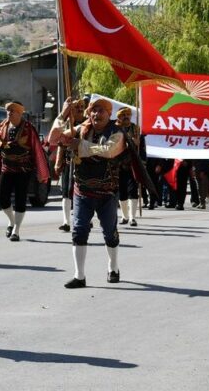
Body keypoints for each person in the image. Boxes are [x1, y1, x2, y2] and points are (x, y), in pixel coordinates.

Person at [50, 97, 126, 288]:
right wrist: (63, 114)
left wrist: (80, 145)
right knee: (79, 230)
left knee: (110, 232)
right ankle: (79, 276)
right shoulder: (81, 129)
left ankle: (113, 267)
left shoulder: (117, 133)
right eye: (93, 110)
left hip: (107, 191)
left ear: (109, 114)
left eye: (101, 111)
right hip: (83, 190)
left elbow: (108, 151)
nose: (96, 114)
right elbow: (53, 138)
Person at [0, 101, 50, 242]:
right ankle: (11, 221)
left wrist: (41, 172)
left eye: (12, 110)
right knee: (2, 199)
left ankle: (16, 230)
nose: (9, 113)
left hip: (23, 169)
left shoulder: (29, 129)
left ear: (20, 113)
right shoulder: (2, 127)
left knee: (21, 199)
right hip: (6, 168)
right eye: (8, 110)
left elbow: (37, 150)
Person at [49, 97, 87, 232]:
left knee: (83, 192)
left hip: (84, 162)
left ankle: (83, 217)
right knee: (66, 191)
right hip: (69, 161)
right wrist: (58, 162)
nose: (80, 109)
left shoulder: (87, 123)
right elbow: (60, 144)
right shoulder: (67, 123)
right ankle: (66, 221)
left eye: (82, 107)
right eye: (77, 107)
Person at [114, 106, 142, 226]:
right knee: (122, 191)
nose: (126, 117)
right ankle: (125, 216)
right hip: (119, 164)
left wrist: (135, 142)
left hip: (132, 163)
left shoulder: (135, 128)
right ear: (119, 117)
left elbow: (139, 144)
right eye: (123, 115)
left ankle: (132, 218)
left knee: (132, 190)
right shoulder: (115, 128)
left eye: (128, 115)